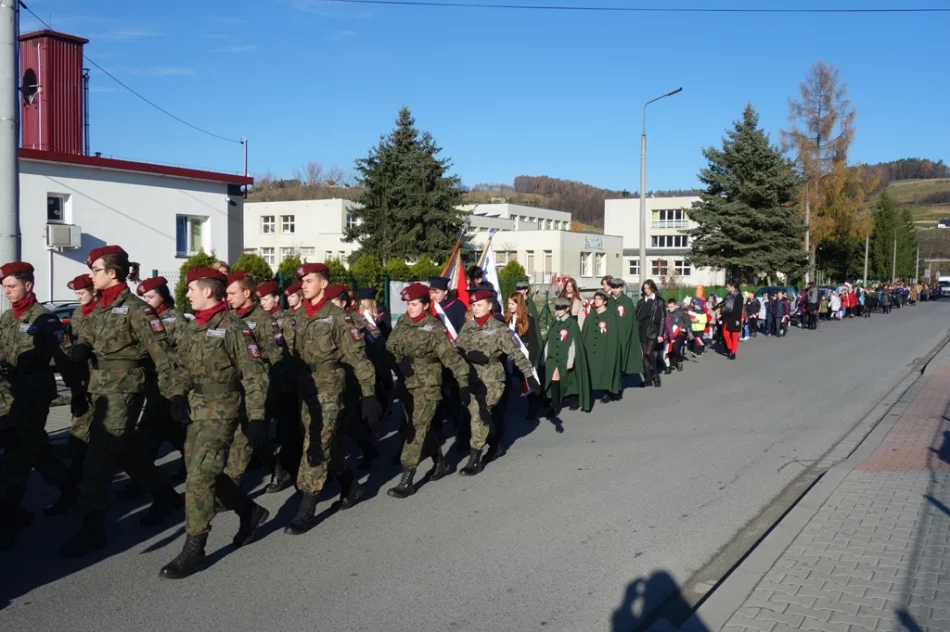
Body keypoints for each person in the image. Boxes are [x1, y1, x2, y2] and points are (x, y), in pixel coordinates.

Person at [60, 246, 184, 559]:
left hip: (125, 388)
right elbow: (91, 336)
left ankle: (93, 527)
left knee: (98, 457)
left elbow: (161, 353)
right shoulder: (100, 307)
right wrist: (82, 348)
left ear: (112, 273)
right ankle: (165, 495)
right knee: (127, 452)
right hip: (100, 386)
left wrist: (174, 394)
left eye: (96, 270)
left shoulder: (136, 308)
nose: (91, 276)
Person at [158, 267, 271, 579]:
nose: (188, 293)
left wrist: (258, 417)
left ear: (208, 291)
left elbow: (255, 375)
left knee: (197, 478)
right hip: (197, 411)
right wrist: (178, 393)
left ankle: (195, 549)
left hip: (223, 410)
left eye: (192, 288)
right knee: (207, 471)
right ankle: (250, 511)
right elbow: (182, 366)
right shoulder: (195, 327)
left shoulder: (234, 328)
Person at [285, 263, 381, 534]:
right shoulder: (298, 316)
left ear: (324, 284)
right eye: (301, 281)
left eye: (309, 280)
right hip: (306, 389)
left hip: (330, 386)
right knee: (322, 441)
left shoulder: (339, 317)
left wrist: (369, 393)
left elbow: (357, 356)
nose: (303, 285)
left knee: (317, 443)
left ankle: (307, 504)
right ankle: (351, 486)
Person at [0, 262, 79, 549]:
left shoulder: (45, 320)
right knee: (38, 449)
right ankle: (70, 488)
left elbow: (64, 357)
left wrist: (78, 393)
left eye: (11, 286)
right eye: (4, 286)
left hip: (33, 395)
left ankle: (11, 518)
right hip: (10, 394)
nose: (7, 291)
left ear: (28, 285)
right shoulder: (7, 317)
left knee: (17, 455)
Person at [386, 283, 470, 495]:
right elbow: (391, 345)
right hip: (407, 384)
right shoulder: (404, 322)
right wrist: (398, 362)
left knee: (416, 428)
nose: (409, 307)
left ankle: (407, 478)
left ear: (425, 305)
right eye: (407, 303)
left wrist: (464, 383)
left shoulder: (435, 328)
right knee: (420, 425)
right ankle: (441, 463)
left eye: (414, 304)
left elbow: (450, 357)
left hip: (428, 384)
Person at [457, 289, 540, 473]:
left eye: (479, 305)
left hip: (492, 378)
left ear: (489, 306)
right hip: (471, 377)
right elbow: (458, 348)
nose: (475, 308)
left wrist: (529, 375)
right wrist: (469, 354)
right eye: (473, 305)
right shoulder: (468, 327)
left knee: (479, 415)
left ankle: (475, 457)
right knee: (479, 415)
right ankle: (495, 445)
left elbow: (515, 353)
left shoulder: (498, 328)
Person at [121, 275, 187, 498]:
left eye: (151, 296)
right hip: (151, 380)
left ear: (163, 294)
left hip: (168, 381)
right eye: (145, 297)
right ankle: (189, 460)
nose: (147, 301)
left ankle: (143, 480)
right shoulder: (149, 316)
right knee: (172, 429)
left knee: (148, 431)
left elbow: (181, 353)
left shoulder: (175, 319)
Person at [221, 271, 283, 488]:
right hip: (232, 386)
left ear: (246, 293)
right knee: (252, 436)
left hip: (257, 386)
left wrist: (252, 353)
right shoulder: (229, 318)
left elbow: (277, 354)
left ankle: (231, 485)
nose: (228, 298)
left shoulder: (265, 320)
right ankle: (276, 465)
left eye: (232, 293)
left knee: (243, 437)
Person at [48, 274, 98, 512]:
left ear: (93, 290)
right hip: (82, 378)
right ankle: (78, 471)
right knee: (80, 424)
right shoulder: (78, 314)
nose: (78, 297)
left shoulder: (103, 313)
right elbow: (70, 342)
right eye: (76, 294)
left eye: (81, 292)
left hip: (103, 379)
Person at [544, 297, 591, 415]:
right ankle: (555, 405)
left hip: (565, 356)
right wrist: (544, 357)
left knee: (569, 379)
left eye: (561, 309)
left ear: (566, 309)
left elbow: (573, 343)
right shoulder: (555, 321)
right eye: (557, 308)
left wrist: (570, 360)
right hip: (553, 356)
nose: (558, 311)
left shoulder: (572, 323)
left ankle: (574, 398)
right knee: (554, 377)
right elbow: (549, 340)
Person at [505, 291, 541, 419]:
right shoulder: (508, 319)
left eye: (513, 304)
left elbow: (533, 341)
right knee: (520, 382)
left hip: (524, 355)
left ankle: (533, 408)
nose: (510, 306)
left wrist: (530, 359)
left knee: (528, 382)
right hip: (512, 356)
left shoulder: (528, 318)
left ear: (519, 304)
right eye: (509, 303)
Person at [582, 290, 622, 402]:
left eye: (599, 299)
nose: (596, 301)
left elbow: (613, 335)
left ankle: (607, 391)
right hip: (591, 348)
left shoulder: (610, 316)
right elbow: (585, 332)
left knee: (606, 368)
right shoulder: (590, 316)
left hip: (605, 348)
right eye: (595, 299)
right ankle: (590, 389)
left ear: (604, 302)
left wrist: (611, 349)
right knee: (591, 368)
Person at [608, 277, 644, 386]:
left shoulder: (627, 302)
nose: (615, 290)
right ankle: (609, 387)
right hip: (608, 336)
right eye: (613, 287)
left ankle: (617, 385)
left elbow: (630, 322)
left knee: (619, 361)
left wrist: (625, 337)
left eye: (617, 287)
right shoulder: (607, 300)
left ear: (622, 288)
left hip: (622, 336)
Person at [635, 280, 666, 387]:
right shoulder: (641, 302)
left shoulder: (659, 301)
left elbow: (662, 318)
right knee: (645, 354)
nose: (646, 290)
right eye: (644, 288)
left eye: (647, 288)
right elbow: (637, 317)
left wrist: (661, 334)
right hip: (642, 330)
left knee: (649, 352)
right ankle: (648, 378)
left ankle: (656, 376)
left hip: (653, 330)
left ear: (652, 288)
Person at [719, 280, 743, 360]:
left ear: (733, 287)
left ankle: (733, 352)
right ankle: (730, 348)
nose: (727, 288)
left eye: (728, 286)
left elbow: (739, 309)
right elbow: (723, 303)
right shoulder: (728, 295)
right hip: (727, 317)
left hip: (735, 318)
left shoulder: (739, 296)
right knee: (725, 334)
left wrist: (737, 320)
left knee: (734, 335)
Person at [666, 298, 691, 372]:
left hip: (679, 333)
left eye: (671, 307)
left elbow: (688, 321)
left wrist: (684, 328)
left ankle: (680, 360)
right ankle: (673, 364)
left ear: (676, 306)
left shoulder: (681, 313)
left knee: (675, 347)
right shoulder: (666, 313)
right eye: (668, 307)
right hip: (669, 333)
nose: (670, 309)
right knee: (669, 348)